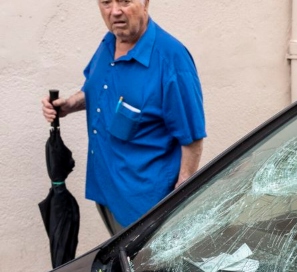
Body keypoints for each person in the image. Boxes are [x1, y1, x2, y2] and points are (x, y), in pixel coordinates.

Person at [41, 0, 205, 235]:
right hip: (106, 191)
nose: (115, 11)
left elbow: (192, 139)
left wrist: (177, 204)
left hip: (146, 211)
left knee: (145, 271)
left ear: (145, 2)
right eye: (106, 2)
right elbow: (98, 90)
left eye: (125, 1)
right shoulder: (109, 42)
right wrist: (69, 105)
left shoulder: (171, 59)